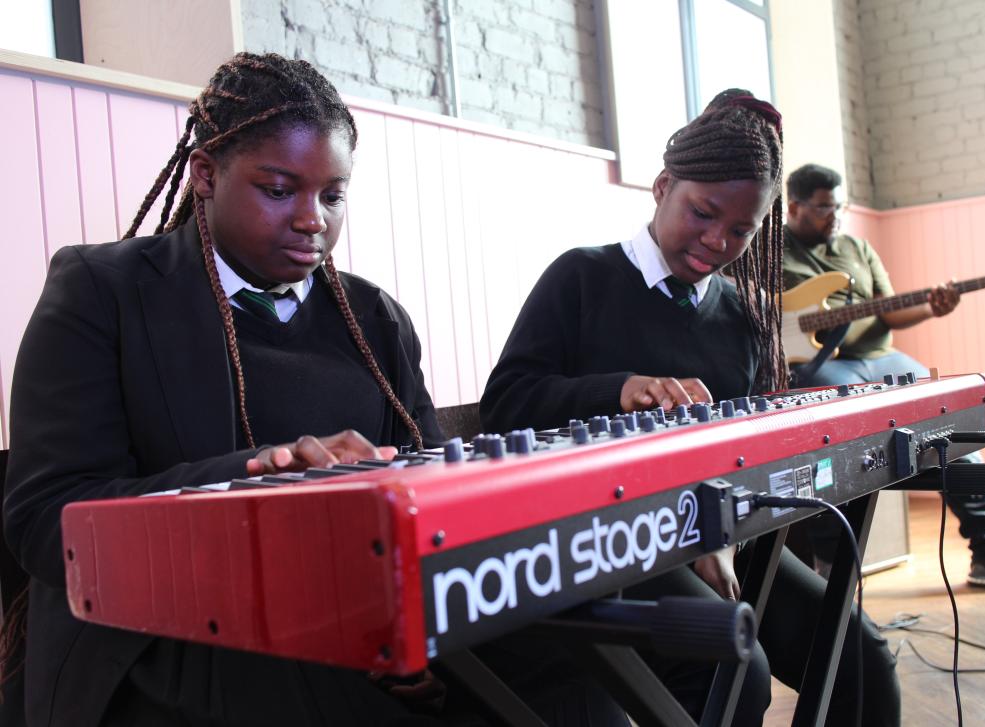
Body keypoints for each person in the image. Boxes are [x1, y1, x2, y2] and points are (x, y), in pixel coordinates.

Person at [1, 53, 621, 727]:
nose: (311, 220)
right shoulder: (103, 294)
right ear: (205, 174)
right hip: (161, 639)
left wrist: (422, 638)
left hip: (358, 620)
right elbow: (45, 520)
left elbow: (435, 498)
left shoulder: (374, 318)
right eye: (279, 189)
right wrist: (258, 476)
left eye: (332, 195)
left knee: (576, 677)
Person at [480, 90, 901, 727]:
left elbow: (747, 449)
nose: (716, 241)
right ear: (662, 186)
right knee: (735, 669)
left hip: (719, 533)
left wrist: (721, 528)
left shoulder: (742, 315)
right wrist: (617, 389)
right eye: (702, 213)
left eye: (741, 230)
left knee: (861, 657)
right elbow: (506, 405)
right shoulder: (581, 279)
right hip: (612, 545)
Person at [781, 163, 985, 590]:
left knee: (950, 421)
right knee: (831, 441)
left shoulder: (857, 248)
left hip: (880, 359)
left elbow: (889, 308)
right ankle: (830, 568)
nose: (834, 216)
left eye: (839, 207)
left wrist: (933, 306)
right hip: (822, 366)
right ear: (794, 206)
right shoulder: (771, 252)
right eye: (825, 208)